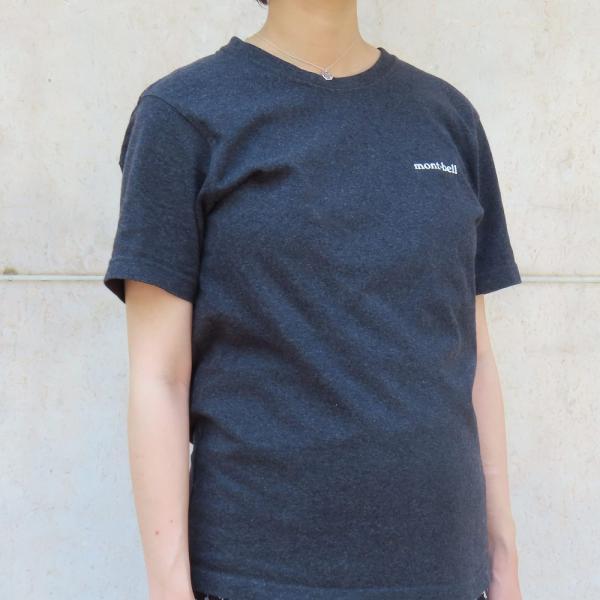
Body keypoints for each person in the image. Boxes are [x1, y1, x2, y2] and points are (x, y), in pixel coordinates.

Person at [103, 1, 524, 599]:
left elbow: (473, 355)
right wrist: (169, 588)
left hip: (445, 572)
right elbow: (159, 377)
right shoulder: (182, 114)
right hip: (261, 573)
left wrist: (503, 558)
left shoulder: (448, 117)